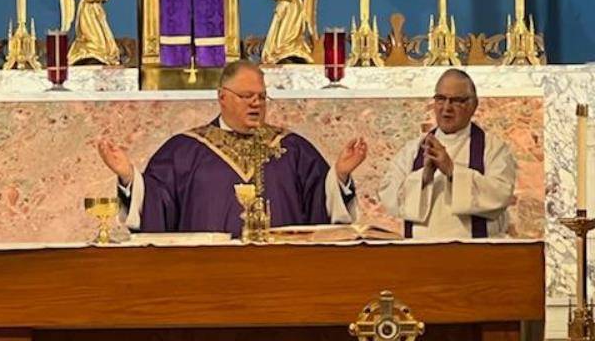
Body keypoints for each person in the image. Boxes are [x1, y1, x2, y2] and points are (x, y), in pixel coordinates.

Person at [98, 59, 367, 236]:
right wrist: (128, 176)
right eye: (246, 96)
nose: (256, 103)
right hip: (208, 279)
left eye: (261, 97)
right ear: (222, 97)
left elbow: (322, 207)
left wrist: (340, 175)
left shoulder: (294, 150)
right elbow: (156, 204)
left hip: (283, 277)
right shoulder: (184, 151)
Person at [380, 69, 516, 239]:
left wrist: (452, 170)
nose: (446, 108)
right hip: (419, 255)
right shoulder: (413, 150)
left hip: (476, 256)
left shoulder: (494, 149)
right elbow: (389, 196)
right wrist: (424, 176)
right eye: (441, 99)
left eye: (457, 101)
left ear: (474, 105)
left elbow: (500, 195)